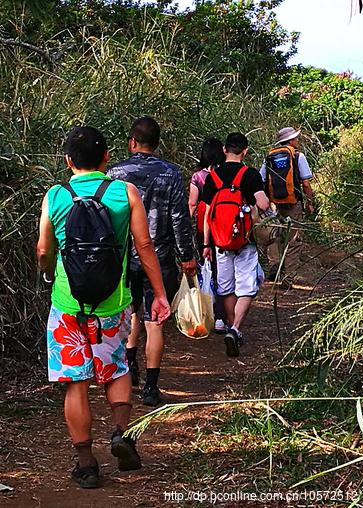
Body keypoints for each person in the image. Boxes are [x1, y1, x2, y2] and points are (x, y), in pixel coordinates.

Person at [36, 126, 171, 489]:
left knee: (74, 382)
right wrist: (158, 294)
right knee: (116, 368)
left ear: (68, 161)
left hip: (68, 304)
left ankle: (86, 464)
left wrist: (51, 275)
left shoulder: (55, 195)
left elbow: (44, 251)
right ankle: (123, 435)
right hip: (114, 301)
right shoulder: (124, 192)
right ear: (107, 158)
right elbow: (144, 245)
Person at [106, 117, 197, 407]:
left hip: (122, 258)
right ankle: (151, 387)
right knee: (154, 320)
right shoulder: (171, 173)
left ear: (132, 141)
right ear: (157, 144)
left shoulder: (114, 173)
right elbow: (180, 219)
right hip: (159, 257)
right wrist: (187, 256)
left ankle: (130, 370)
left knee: (130, 312)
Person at [201, 132, 270, 357]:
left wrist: (205, 244)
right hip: (245, 240)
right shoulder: (249, 175)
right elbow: (262, 202)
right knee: (247, 287)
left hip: (220, 241)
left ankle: (232, 328)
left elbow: (207, 213)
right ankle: (235, 328)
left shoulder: (214, 177)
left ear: (224, 150)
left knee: (226, 287)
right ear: (245, 151)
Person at [259, 127, 316, 281]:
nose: (297, 140)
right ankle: (291, 273)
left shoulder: (269, 157)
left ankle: (275, 265)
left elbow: (261, 180)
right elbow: (305, 183)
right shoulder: (298, 156)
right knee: (294, 238)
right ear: (290, 140)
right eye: (296, 138)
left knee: (274, 235)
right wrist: (310, 202)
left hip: (274, 204)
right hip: (293, 202)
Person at [188, 137, 228, 333]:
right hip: (224, 228)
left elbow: (193, 204)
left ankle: (207, 311)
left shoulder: (198, 177)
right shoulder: (225, 174)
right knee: (223, 270)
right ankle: (222, 316)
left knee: (207, 269)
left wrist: (184, 225)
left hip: (204, 228)